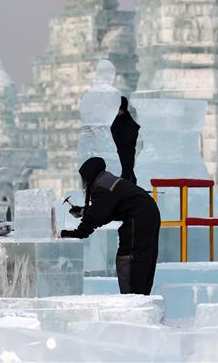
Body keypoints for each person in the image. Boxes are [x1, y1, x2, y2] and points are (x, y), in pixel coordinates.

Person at [60, 157, 161, 295]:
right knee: (143, 257)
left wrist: (70, 233)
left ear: (88, 176)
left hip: (139, 217)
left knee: (129, 256)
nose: (83, 184)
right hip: (148, 215)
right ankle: (141, 297)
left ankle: (134, 299)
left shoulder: (103, 187)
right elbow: (106, 210)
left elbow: (97, 216)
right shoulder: (107, 181)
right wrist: (85, 211)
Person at [110, 96, 140, 184]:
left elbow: (127, 140)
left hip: (126, 155)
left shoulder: (128, 123)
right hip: (118, 155)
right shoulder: (116, 120)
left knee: (126, 176)